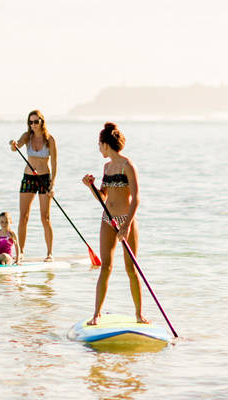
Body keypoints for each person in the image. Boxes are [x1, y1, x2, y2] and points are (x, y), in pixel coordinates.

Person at [82, 122, 147, 326]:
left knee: (131, 269)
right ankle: (97, 314)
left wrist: (126, 226)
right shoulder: (107, 167)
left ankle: (139, 315)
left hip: (126, 220)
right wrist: (90, 186)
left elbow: (136, 198)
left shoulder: (128, 165)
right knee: (106, 268)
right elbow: (102, 196)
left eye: (99, 145)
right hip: (107, 220)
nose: (98, 148)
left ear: (105, 144)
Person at [9, 110, 58, 262]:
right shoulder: (26, 136)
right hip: (28, 179)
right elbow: (15, 148)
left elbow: (55, 163)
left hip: (44, 179)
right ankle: (21, 252)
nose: (33, 125)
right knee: (23, 217)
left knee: (46, 217)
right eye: (31, 122)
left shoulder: (50, 139)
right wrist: (13, 145)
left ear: (42, 121)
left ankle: (49, 253)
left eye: (36, 121)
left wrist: (53, 185)